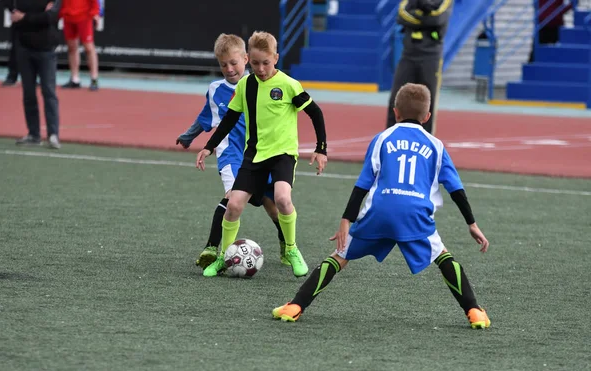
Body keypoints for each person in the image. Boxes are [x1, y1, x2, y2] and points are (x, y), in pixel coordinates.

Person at [273, 83, 491, 329]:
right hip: (415, 214)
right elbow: (456, 190)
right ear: (427, 116)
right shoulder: (436, 146)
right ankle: (474, 311)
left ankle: (295, 306)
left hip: (380, 211)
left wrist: (346, 220)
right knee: (443, 257)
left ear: (395, 111)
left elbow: (363, 184)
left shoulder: (382, 139)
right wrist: (471, 224)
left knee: (340, 256)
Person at [196, 31, 328, 278]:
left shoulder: (289, 85)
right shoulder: (246, 85)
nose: (260, 68)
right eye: (255, 63)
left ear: (275, 58)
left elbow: (316, 113)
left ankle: (291, 249)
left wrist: (321, 149)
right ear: (249, 59)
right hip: (253, 156)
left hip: (282, 155)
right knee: (233, 205)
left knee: (281, 199)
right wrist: (209, 146)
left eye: (265, 62)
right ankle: (225, 256)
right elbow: (229, 119)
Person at [176, 33, 290, 270]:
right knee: (232, 199)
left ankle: (286, 244)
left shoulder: (260, 83)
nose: (229, 69)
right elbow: (205, 118)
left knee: (271, 204)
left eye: (234, 63)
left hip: (261, 154)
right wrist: (189, 136)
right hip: (230, 155)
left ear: (246, 59)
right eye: (223, 64)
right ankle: (211, 248)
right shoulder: (215, 90)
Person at [386, 0, 453, 135]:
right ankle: (390, 138)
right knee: (396, 98)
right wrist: (425, 18)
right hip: (408, 55)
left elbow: (437, 19)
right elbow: (402, 15)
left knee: (428, 101)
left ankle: (426, 140)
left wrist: (417, 13)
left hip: (431, 57)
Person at [12, 0, 61, 149]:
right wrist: (38, 14)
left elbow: (50, 18)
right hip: (25, 49)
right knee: (28, 93)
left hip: (46, 50)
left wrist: (25, 17)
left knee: (49, 92)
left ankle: (53, 134)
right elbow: (16, 14)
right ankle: (34, 134)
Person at [59, 0, 100, 91]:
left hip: (84, 16)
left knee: (89, 48)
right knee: (72, 47)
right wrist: (60, 12)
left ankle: (94, 79)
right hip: (68, 16)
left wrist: (95, 12)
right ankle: (75, 79)